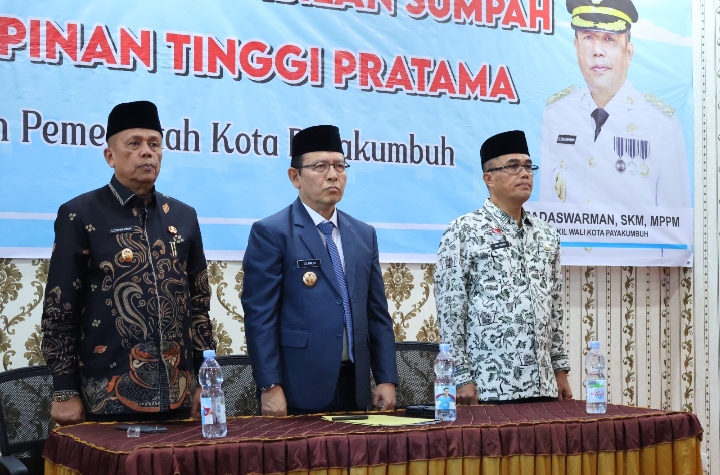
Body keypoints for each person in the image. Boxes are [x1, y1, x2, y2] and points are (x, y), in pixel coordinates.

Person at [41, 101, 215, 425]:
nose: (147, 152)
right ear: (110, 156)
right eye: (134, 143)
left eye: (154, 144)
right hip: (107, 398)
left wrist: (205, 381)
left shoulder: (183, 216)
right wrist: (64, 391)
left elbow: (199, 306)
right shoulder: (80, 214)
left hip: (179, 395)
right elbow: (59, 311)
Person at [241, 125, 398, 415]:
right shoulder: (272, 233)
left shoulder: (364, 235)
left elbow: (377, 314)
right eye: (320, 166)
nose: (333, 175)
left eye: (340, 166)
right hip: (297, 387)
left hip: (355, 385)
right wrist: (269, 385)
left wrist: (386, 378)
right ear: (295, 177)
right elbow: (259, 317)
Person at [435, 130, 572, 404]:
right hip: (489, 387)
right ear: (489, 178)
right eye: (513, 166)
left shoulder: (546, 235)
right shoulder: (464, 230)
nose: (525, 173)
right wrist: (461, 377)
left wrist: (560, 370)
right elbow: (450, 311)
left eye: (528, 166)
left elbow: (554, 307)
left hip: (544, 387)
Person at [539, 0, 690, 208]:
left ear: (628, 52)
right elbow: (547, 209)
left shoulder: (662, 124)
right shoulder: (557, 114)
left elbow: (675, 218)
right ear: (576, 47)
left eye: (609, 38)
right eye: (588, 37)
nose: (597, 51)